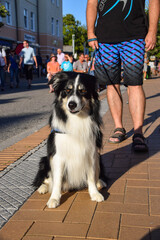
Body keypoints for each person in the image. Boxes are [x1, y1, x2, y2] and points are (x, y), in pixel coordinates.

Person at [86, 0, 159, 152]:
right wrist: (90, 32)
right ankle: (119, 127)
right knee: (111, 84)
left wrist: (152, 31)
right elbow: (92, 3)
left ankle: (138, 132)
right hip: (105, 39)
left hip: (135, 35)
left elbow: (154, 1)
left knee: (135, 83)